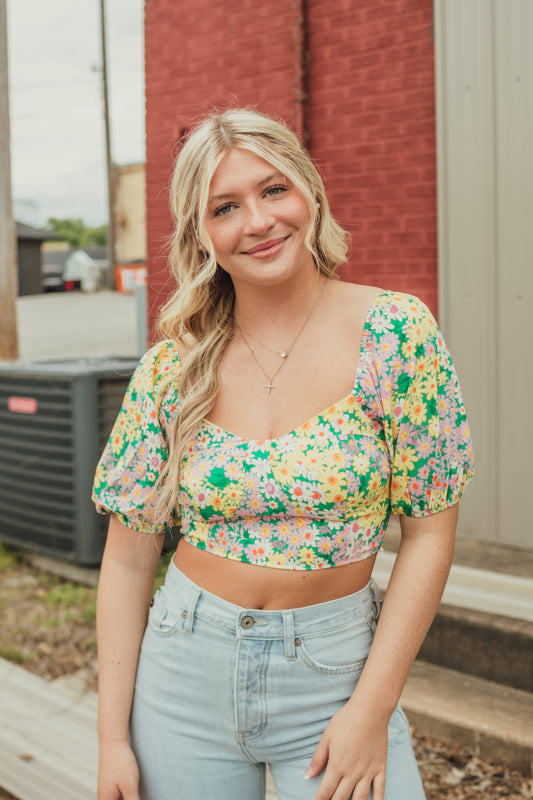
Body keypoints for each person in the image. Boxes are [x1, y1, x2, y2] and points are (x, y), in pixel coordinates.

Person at [92, 108, 474, 800]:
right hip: (182, 672)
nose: (259, 222)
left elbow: (428, 537)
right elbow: (126, 558)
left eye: (273, 190)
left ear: (309, 192)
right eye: (225, 207)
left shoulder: (395, 333)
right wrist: (112, 740)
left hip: (333, 676)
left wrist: (371, 707)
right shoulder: (171, 368)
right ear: (200, 232)